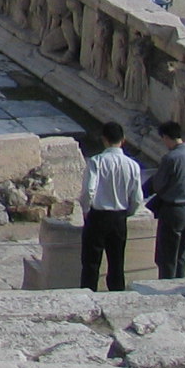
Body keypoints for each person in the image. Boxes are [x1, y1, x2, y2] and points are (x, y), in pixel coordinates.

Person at [79, 120, 144, 292]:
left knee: (91, 263)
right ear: (123, 139)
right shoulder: (132, 165)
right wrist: (127, 213)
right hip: (119, 217)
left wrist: (86, 210)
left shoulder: (96, 161)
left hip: (98, 216)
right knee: (117, 263)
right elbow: (137, 197)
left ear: (104, 140)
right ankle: (117, 295)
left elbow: (88, 191)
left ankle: (88, 296)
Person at [146, 120, 185, 280]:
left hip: (173, 211)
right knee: (181, 256)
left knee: (166, 258)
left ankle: (166, 291)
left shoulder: (171, 158)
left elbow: (158, 184)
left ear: (166, 137)